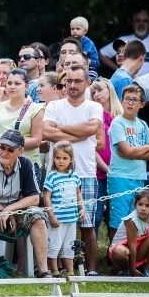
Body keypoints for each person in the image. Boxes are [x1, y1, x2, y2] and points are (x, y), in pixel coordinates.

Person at [0, 129, 52, 279]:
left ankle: (44, 270)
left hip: (10, 208)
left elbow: (34, 199)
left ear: (20, 152)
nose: (4, 152)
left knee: (38, 214)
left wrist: (10, 210)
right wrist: (4, 211)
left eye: (10, 149)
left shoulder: (26, 164)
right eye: (2, 147)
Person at [43, 64, 103, 275]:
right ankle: (59, 268)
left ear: (87, 83)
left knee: (86, 224)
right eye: (69, 81)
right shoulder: (54, 106)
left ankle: (92, 269)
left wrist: (61, 128)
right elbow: (47, 132)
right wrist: (79, 135)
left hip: (85, 173)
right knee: (57, 223)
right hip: (57, 173)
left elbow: (91, 129)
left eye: (78, 81)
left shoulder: (93, 107)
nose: (72, 85)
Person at [107, 84, 149, 239]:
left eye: (134, 100)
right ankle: (114, 254)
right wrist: (145, 148)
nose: (130, 103)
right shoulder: (118, 123)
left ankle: (129, 252)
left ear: (142, 104)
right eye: (127, 99)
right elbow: (126, 151)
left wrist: (134, 153)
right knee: (118, 219)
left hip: (139, 177)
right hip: (120, 177)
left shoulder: (143, 124)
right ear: (121, 101)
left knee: (134, 219)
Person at [0, 68, 43, 173]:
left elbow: (36, 140)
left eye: (17, 83)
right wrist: (1, 148)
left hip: (26, 164)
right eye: (9, 83)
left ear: (26, 86)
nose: (12, 87)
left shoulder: (35, 109)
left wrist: (10, 146)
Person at [43, 141, 84, 276]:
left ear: (71, 159)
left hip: (71, 219)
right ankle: (54, 271)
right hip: (58, 220)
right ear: (53, 158)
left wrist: (82, 208)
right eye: (58, 158)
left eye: (65, 158)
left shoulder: (75, 176)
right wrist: (52, 216)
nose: (61, 161)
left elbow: (78, 193)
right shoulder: (51, 176)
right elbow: (47, 197)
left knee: (69, 246)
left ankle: (69, 271)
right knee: (54, 246)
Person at [89, 77, 122, 235]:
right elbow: (91, 148)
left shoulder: (121, 116)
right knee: (95, 216)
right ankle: (91, 258)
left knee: (117, 217)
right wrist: (107, 169)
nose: (96, 94)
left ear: (110, 90)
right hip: (99, 173)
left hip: (120, 172)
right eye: (93, 92)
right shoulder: (93, 116)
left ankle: (114, 253)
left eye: (100, 90)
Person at [108, 189, 149, 277]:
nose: (143, 208)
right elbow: (132, 245)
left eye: (148, 206)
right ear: (135, 204)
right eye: (140, 204)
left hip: (137, 249)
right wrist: (133, 269)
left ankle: (147, 271)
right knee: (119, 251)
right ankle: (126, 270)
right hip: (125, 249)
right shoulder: (132, 220)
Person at [99, 10, 149, 76]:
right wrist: (118, 70)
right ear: (133, 23)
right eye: (138, 21)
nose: (141, 24)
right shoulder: (123, 40)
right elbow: (102, 53)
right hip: (129, 84)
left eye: (145, 21)